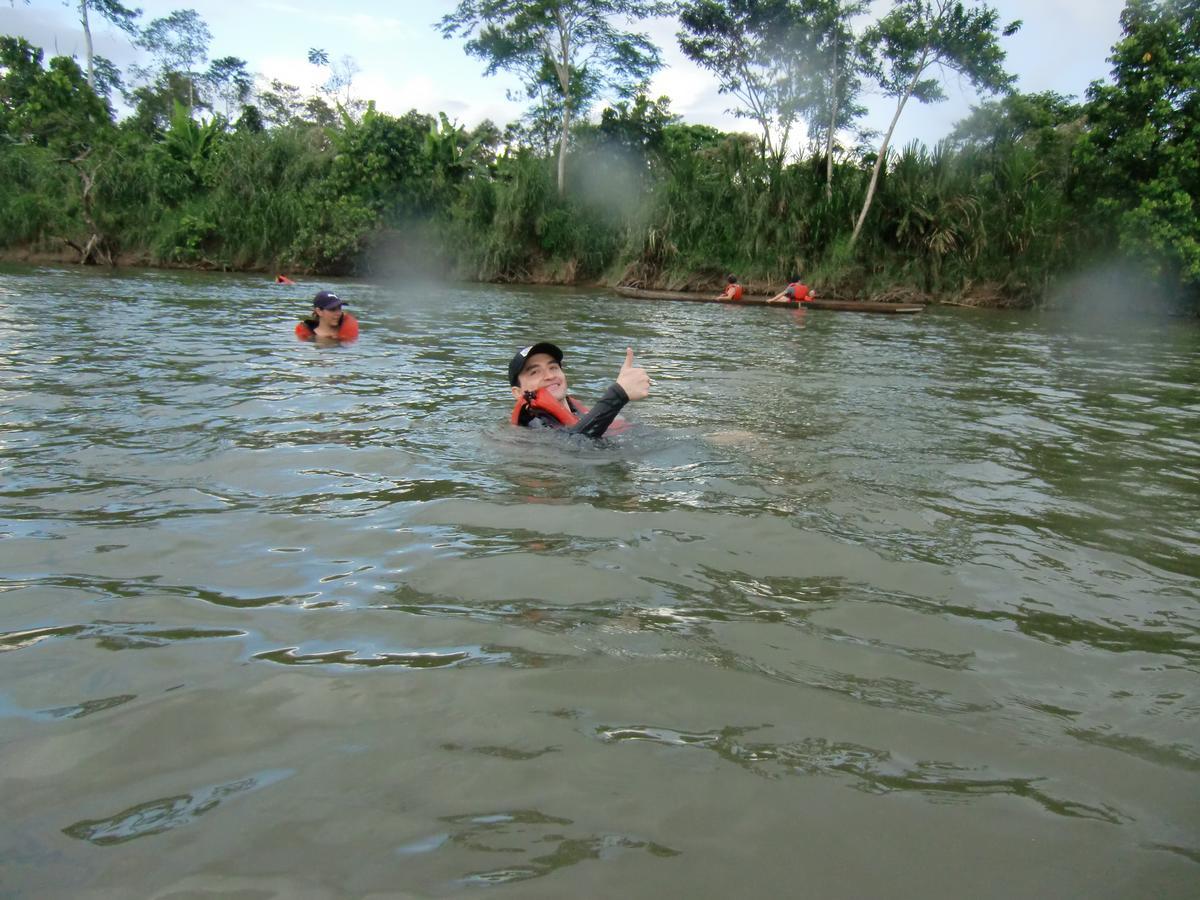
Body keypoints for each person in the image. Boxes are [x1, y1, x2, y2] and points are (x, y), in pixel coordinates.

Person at [509, 342, 650, 438]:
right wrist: (619, 394)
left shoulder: (582, 411)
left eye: (553, 368)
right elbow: (577, 443)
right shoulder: (531, 427)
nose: (550, 376)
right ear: (518, 392)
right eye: (534, 372)